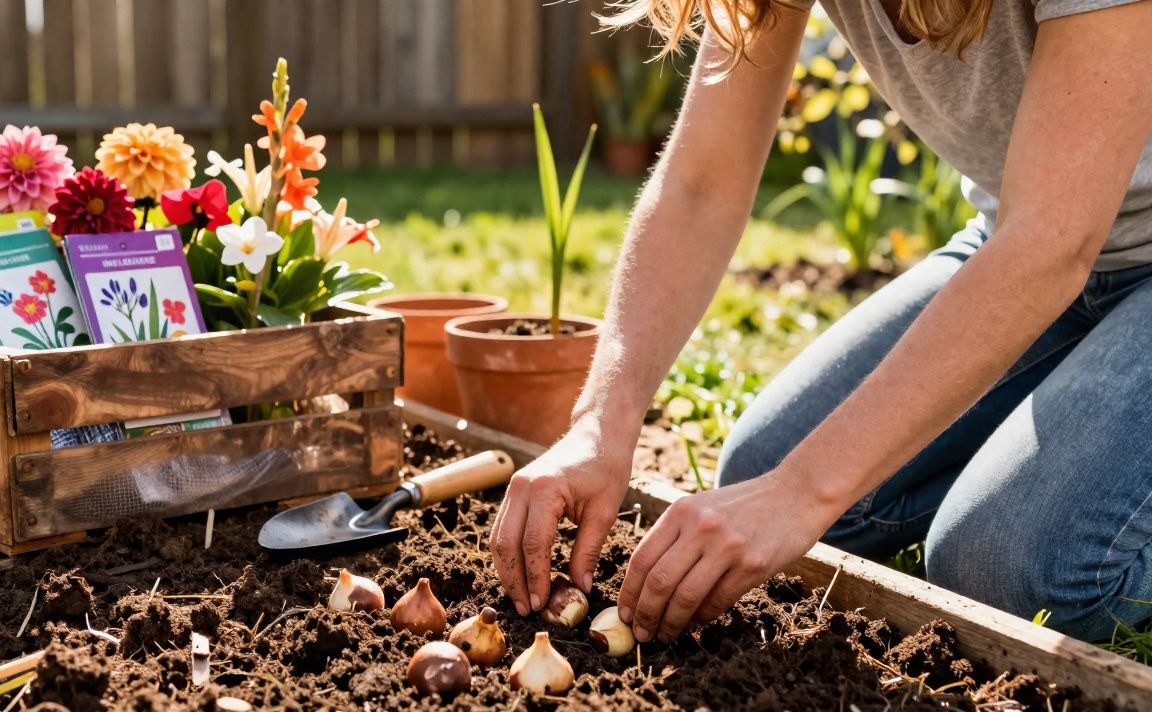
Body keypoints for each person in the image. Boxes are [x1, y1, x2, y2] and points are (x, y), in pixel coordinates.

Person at [490, 0, 1152, 644]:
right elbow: (701, 183)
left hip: (1051, 245)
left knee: (1011, 571)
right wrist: (601, 420)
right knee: (763, 468)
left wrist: (801, 493)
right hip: (1023, 244)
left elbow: (1050, 244)